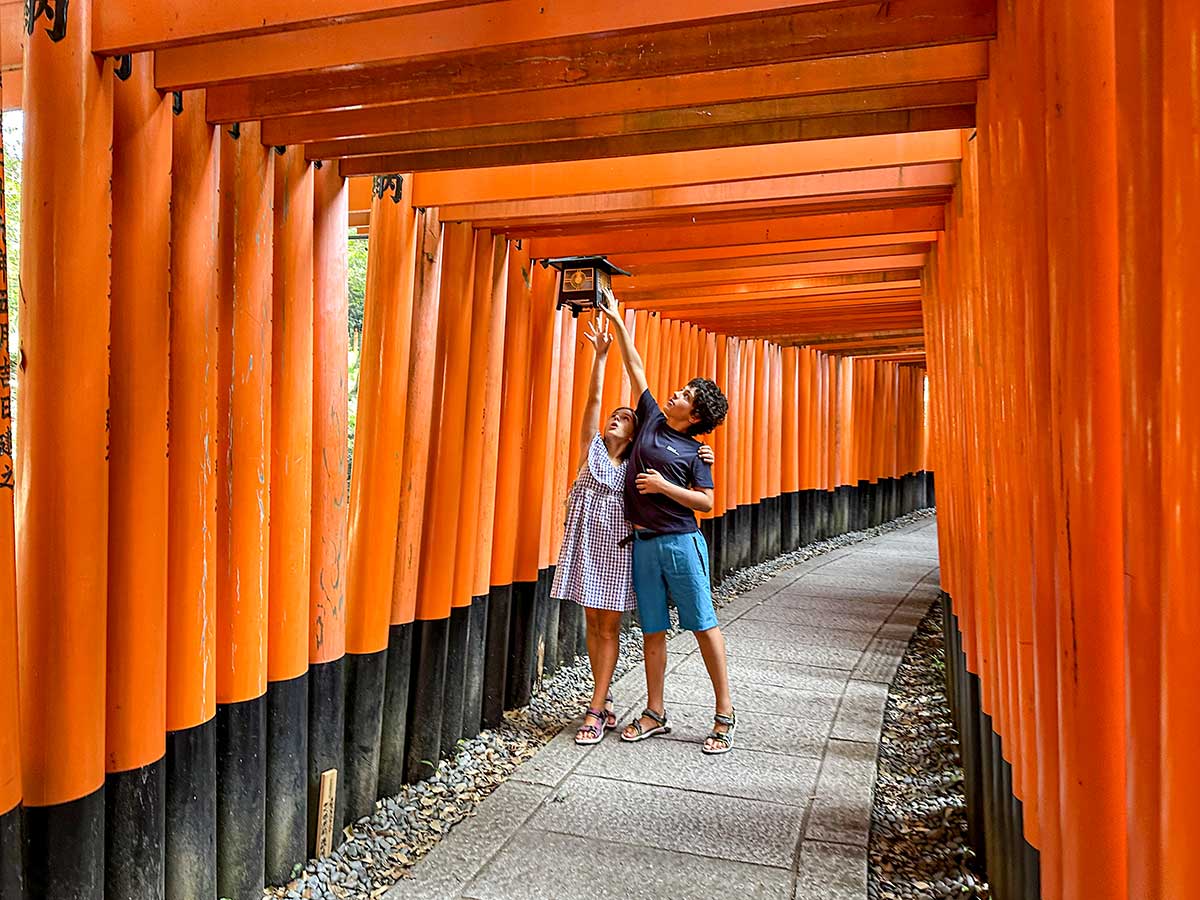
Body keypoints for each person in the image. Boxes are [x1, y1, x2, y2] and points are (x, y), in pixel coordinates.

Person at [552, 315, 713, 746]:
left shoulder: (639, 464)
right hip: (586, 547)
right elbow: (593, 399)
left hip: (620, 551)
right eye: (614, 415)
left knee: (610, 628)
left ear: (637, 429)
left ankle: (596, 706)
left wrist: (700, 455)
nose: (615, 417)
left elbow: (693, 481)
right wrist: (600, 356)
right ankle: (601, 704)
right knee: (592, 625)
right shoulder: (595, 450)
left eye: (624, 416)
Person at [597, 289, 736, 755]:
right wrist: (617, 319)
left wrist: (663, 488)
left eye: (685, 395)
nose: (674, 393)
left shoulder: (696, 452)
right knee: (652, 628)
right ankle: (655, 711)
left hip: (681, 541)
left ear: (694, 415)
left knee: (702, 624)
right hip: (642, 543)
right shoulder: (652, 418)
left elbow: (707, 502)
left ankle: (724, 713)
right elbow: (635, 366)